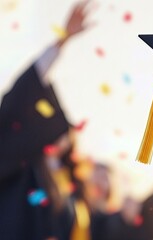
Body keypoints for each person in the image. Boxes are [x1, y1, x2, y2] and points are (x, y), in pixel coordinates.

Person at [0, 1, 92, 239]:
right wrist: (62, 41)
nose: (65, 135)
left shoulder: (70, 184)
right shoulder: (21, 162)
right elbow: (21, 92)